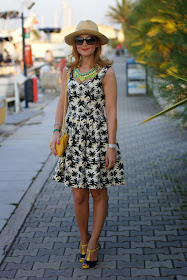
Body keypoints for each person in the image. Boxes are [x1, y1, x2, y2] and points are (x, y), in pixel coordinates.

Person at [50, 20, 125, 269]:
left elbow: (112, 111)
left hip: (98, 139)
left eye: (89, 40)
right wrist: (55, 131)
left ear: (97, 44)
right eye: (79, 40)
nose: (84, 44)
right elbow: (62, 104)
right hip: (73, 140)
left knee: (98, 191)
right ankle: (83, 240)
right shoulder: (69, 71)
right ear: (74, 44)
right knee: (79, 194)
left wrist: (111, 146)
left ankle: (94, 242)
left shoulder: (107, 72)